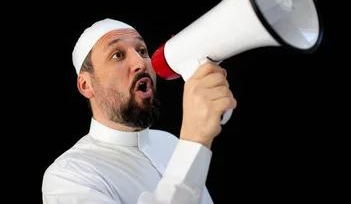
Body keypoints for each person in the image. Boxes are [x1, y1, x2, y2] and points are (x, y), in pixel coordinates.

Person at [41, 18, 237, 203]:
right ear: (86, 85)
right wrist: (194, 139)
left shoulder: (170, 143)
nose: (141, 63)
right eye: (117, 55)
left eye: (142, 51)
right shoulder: (68, 177)